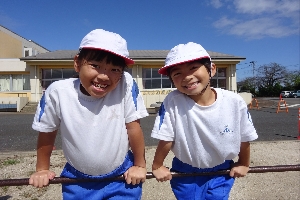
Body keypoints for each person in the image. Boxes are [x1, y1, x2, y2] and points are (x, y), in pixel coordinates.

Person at [29, 29, 149, 199]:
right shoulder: (58, 92)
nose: (104, 76)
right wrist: (42, 169)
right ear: (77, 63)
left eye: (115, 69)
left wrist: (140, 165)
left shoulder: (126, 84)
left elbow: (133, 126)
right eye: (95, 66)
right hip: (77, 180)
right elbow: (47, 131)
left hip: (121, 177)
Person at [151, 42, 258, 199]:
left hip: (221, 170)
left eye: (193, 68)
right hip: (184, 171)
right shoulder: (173, 101)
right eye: (177, 74)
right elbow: (166, 137)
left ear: (211, 69)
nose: (187, 77)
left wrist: (243, 163)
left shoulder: (233, 101)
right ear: (172, 80)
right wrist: (157, 165)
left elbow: (244, 137)